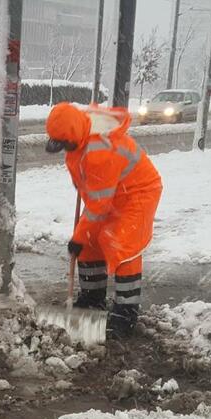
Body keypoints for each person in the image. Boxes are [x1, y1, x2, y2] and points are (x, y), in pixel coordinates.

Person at [45, 102, 163, 339]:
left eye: (65, 144)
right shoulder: (80, 129)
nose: (64, 149)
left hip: (137, 193)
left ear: (75, 136)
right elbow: (96, 198)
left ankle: (125, 314)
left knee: (119, 244)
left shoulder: (100, 151)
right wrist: (82, 237)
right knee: (89, 241)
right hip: (110, 192)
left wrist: (77, 237)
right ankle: (92, 299)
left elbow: (98, 206)